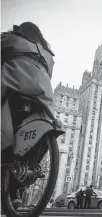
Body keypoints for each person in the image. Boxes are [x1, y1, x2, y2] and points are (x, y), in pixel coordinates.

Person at [1, 22, 55, 207]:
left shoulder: (10, 38)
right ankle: (17, 188)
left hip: (13, 86)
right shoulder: (48, 54)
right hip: (41, 97)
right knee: (40, 135)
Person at [1, 22, 55, 150]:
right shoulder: (48, 55)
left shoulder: (12, 38)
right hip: (43, 90)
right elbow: (49, 75)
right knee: (46, 117)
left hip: (15, 78)